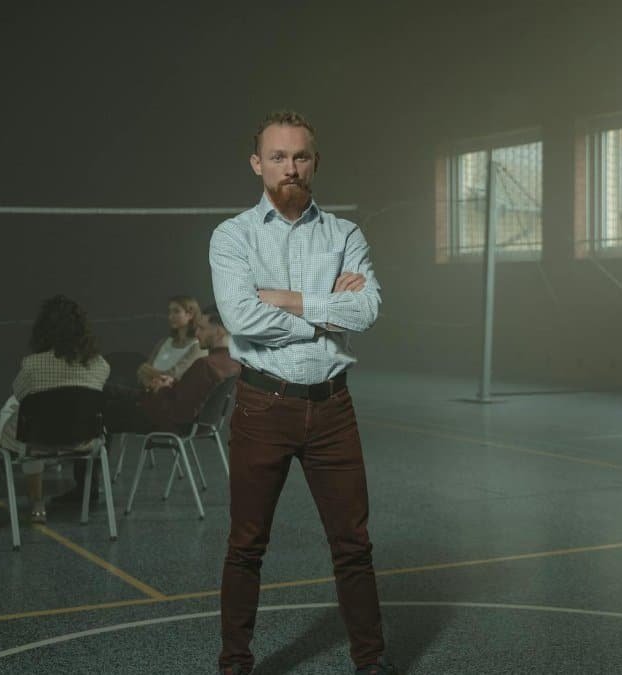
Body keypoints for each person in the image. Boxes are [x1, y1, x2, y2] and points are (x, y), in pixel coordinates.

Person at [209, 111, 391, 675]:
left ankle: (371, 664)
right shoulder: (232, 236)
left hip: (333, 408)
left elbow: (367, 311)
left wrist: (287, 300)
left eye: (300, 156)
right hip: (262, 407)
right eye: (278, 157)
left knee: (353, 545)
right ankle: (234, 665)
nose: (290, 167)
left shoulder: (345, 234)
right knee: (246, 546)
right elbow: (241, 318)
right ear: (257, 164)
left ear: (315, 162)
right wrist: (326, 312)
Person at [0, 295, 109, 524]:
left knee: (26, 425)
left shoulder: (32, 364)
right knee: (31, 423)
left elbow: (18, 393)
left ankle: (36, 503)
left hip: (39, 441)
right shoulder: (100, 364)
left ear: (44, 329)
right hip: (83, 441)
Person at [104, 304, 240, 435]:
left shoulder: (206, 365)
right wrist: (172, 383)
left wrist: (160, 389)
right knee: (109, 392)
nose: (197, 333)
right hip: (201, 424)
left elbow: (180, 412)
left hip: (168, 421)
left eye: (202, 328)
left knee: (105, 405)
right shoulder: (233, 363)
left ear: (219, 331)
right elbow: (193, 396)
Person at [136, 296, 207, 390]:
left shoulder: (198, 346)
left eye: (176, 311)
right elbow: (142, 374)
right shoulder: (164, 342)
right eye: (170, 312)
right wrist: (151, 383)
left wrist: (147, 370)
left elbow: (175, 375)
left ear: (190, 315)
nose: (170, 316)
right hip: (151, 394)